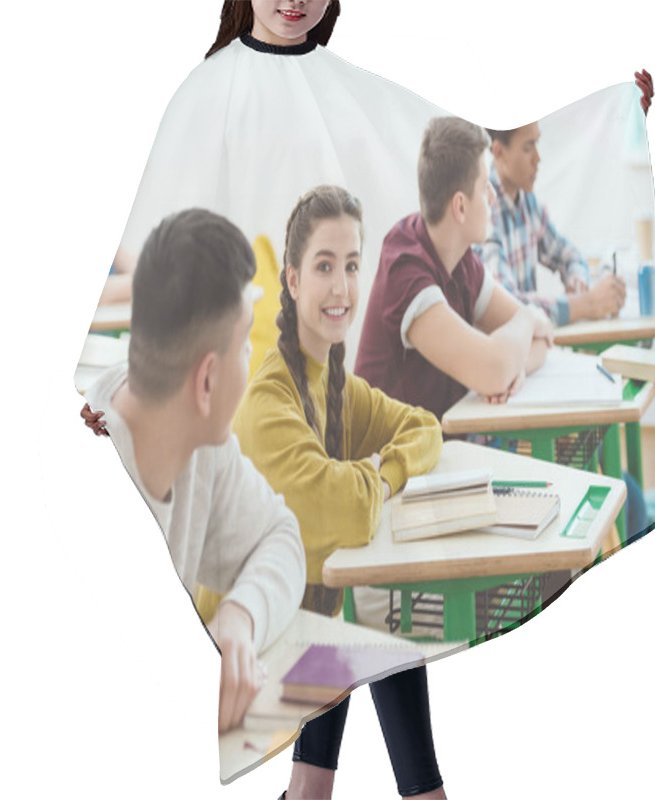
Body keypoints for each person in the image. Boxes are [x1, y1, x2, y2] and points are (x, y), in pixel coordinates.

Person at [234, 186, 446, 800]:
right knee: (372, 619)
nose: (343, 287)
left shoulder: (333, 385)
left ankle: (314, 789)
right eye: (325, 266)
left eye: (352, 266)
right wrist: (375, 479)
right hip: (250, 633)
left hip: (307, 611)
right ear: (294, 281)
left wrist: (381, 471)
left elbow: (424, 428)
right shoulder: (270, 400)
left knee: (369, 613)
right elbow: (347, 511)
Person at [84, 208, 306, 733]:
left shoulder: (204, 448)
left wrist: (239, 617)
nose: (253, 360)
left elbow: (281, 536)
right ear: (206, 381)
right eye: (246, 342)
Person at [355, 115, 552, 420]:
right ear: (460, 206)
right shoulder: (404, 268)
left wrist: (510, 365)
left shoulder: (461, 260)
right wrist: (526, 319)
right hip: (384, 463)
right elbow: (496, 368)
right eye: (485, 185)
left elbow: (542, 341)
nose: (493, 196)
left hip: (439, 453)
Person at [480, 122, 626, 326]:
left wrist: (576, 278)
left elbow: (569, 255)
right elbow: (507, 308)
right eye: (528, 147)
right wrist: (587, 303)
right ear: (498, 152)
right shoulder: (482, 212)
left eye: (537, 144)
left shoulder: (526, 202)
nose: (537, 159)